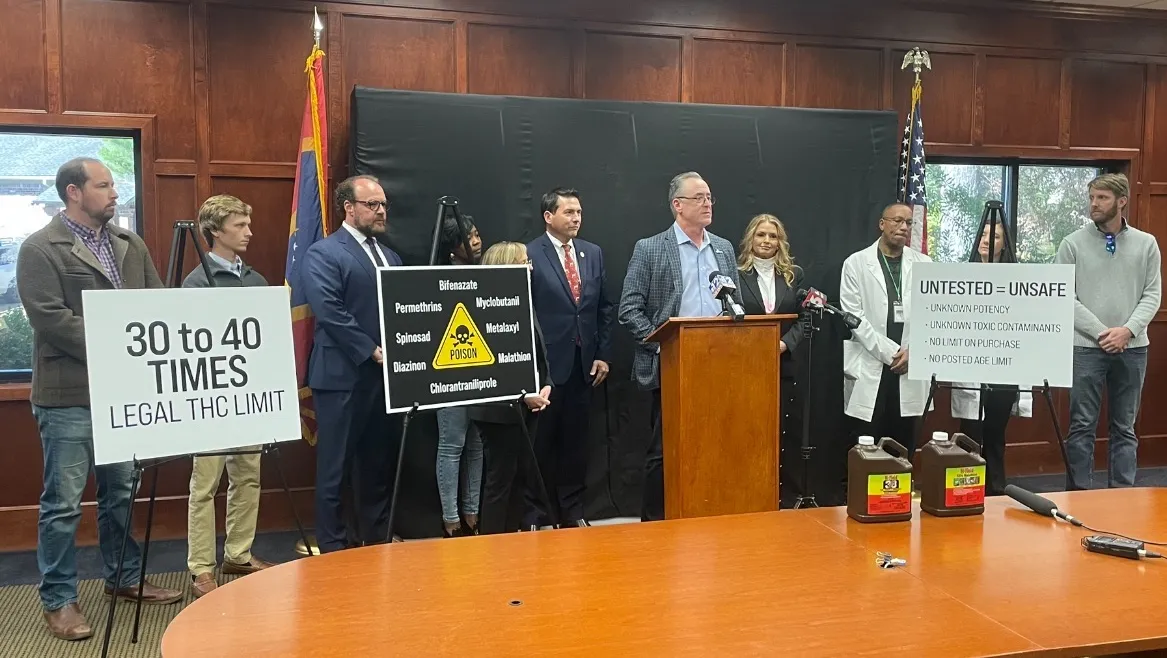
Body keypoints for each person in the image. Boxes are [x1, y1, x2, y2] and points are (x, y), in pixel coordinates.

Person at [16, 157, 181, 641]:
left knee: (120, 495)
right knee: (64, 504)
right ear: (73, 192)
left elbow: (156, 305)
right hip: (68, 396)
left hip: (124, 393)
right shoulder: (40, 248)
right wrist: (123, 340)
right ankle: (58, 599)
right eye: (104, 185)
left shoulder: (130, 244)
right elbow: (51, 320)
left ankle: (124, 578)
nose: (114, 194)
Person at [618, 171, 740, 521]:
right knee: (665, 449)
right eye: (699, 198)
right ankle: (656, 524)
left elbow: (736, 305)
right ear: (678, 205)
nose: (707, 203)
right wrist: (663, 347)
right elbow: (629, 309)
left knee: (716, 444)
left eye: (710, 197)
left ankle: (709, 513)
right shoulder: (651, 248)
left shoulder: (723, 248)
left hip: (717, 363)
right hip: (671, 365)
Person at [303, 175, 404, 552]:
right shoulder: (324, 253)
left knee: (377, 463)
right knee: (335, 468)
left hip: (383, 379)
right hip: (341, 377)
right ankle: (333, 546)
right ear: (349, 208)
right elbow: (330, 311)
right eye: (372, 205)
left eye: (383, 204)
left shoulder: (390, 256)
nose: (381, 211)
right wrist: (372, 350)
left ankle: (376, 538)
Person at [183, 195, 275, 597]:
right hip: (210, 401)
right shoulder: (196, 283)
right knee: (205, 485)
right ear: (215, 232)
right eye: (239, 225)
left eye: (247, 224)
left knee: (248, 476)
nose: (249, 232)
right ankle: (201, 567)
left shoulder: (257, 281)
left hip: (249, 398)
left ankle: (238, 553)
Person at [1055, 173, 1161, 490]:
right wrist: (1104, 333)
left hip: (1133, 348)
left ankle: (1122, 496)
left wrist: (1127, 331)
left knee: (1125, 428)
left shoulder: (1146, 244)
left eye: (1102, 198)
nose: (1094, 204)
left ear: (1122, 201)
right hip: (1086, 348)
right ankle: (1078, 495)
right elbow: (1063, 296)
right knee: (1081, 426)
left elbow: (1152, 295)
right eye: (1092, 197)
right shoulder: (1072, 243)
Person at [526, 187, 614, 528]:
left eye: (578, 212)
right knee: (539, 444)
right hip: (546, 367)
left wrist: (603, 354)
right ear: (549, 216)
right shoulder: (531, 253)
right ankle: (534, 514)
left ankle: (572, 512)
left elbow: (603, 307)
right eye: (569, 212)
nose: (576, 218)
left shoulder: (593, 253)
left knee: (576, 445)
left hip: (583, 365)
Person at [471, 242, 553, 534]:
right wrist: (523, 394)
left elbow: (537, 351)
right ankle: (493, 543)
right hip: (498, 411)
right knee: (501, 479)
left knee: (521, 476)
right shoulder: (482, 306)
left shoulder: (522, 300)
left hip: (529, 405)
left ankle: (512, 542)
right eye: (523, 262)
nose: (530, 267)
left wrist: (545, 384)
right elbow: (489, 364)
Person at [839, 202, 931, 458]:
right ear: (882, 224)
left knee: (904, 444)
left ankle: (900, 486)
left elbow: (933, 315)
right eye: (897, 221)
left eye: (909, 223)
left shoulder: (925, 264)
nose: (903, 227)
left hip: (911, 365)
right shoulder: (856, 263)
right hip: (872, 362)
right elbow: (853, 317)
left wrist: (914, 352)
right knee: (867, 444)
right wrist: (892, 353)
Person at [950, 220, 1030, 496]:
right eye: (983, 234)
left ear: (1004, 244)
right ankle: (965, 490)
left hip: (1004, 365)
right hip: (971, 364)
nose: (986, 240)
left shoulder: (1017, 279)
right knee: (969, 431)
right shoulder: (961, 276)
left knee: (995, 433)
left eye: (994, 236)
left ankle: (995, 489)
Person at [736, 213, 809, 504]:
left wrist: (784, 344)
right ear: (750, 239)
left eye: (773, 236)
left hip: (784, 363)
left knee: (782, 433)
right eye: (761, 235)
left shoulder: (794, 274)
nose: (767, 241)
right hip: (746, 366)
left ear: (781, 242)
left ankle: (782, 497)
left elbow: (804, 318)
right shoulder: (735, 273)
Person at [435, 214, 484, 537]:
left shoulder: (484, 275)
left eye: (478, 234)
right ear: (453, 246)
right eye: (470, 236)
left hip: (481, 374)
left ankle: (473, 513)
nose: (476, 241)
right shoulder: (438, 278)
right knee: (452, 445)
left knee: (476, 445)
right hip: (449, 375)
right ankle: (451, 520)